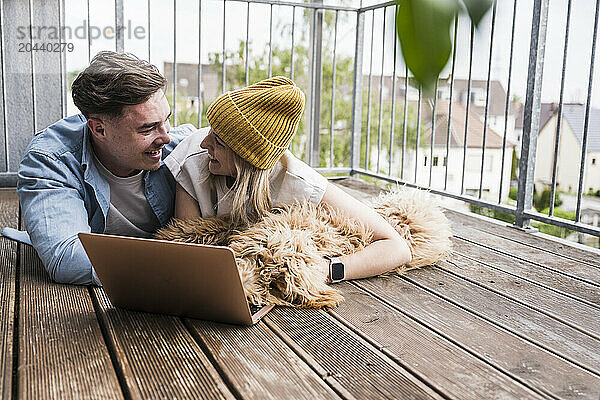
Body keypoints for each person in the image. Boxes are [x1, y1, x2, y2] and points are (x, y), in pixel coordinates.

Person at [164, 76, 411, 282]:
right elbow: (190, 252)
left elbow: (397, 248)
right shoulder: (194, 155)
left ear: (246, 157)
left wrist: (326, 270)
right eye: (211, 130)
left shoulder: (299, 182)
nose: (206, 143)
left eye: (218, 141)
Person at [15, 51, 195, 285]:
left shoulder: (184, 149)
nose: (166, 137)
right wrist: (184, 264)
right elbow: (68, 259)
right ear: (99, 129)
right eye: (148, 128)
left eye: (167, 120)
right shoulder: (51, 159)